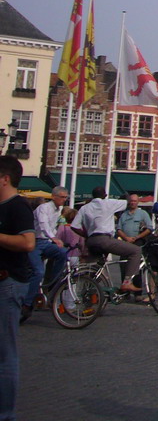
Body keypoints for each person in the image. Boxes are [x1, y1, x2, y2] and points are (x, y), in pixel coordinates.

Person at [0, 156, 35, 421]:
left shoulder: (18, 206)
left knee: (5, 354)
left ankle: (6, 413)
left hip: (8, 282)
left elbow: (28, 243)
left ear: (5, 179)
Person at [71, 187, 143, 293]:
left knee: (95, 270)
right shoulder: (108, 203)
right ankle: (127, 282)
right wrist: (127, 195)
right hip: (105, 239)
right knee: (136, 251)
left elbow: (74, 226)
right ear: (105, 195)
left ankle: (89, 296)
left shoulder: (84, 208)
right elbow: (128, 202)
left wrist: (86, 235)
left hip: (91, 241)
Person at [23, 186, 70, 322]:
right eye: (62, 197)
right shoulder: (43, 208)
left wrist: (55, 239)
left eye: (66, 197)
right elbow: (43, 225)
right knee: (38, 272)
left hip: (46, 242)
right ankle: (27, 303)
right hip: (35, 241)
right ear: (54, 196)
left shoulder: (58, 210)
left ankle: (51, 283)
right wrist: (54, 238)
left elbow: (52, 227)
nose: (64, 199)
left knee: (62, 253)